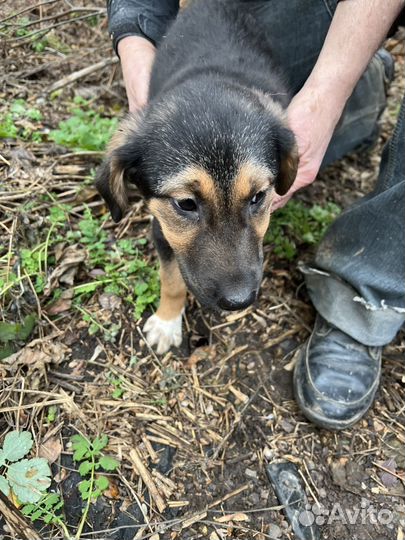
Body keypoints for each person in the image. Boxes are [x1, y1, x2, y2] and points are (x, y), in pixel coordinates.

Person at [106, 0, 405, 430]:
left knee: (333, 134)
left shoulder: (274, 134)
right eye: (188, 205)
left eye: (256, 199)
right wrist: (137, 52)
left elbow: (285, 160)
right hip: (219, 28)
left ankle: (366, 77)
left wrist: (327, 94)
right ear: (122, 181)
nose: (238, 283)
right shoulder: (136, 156)